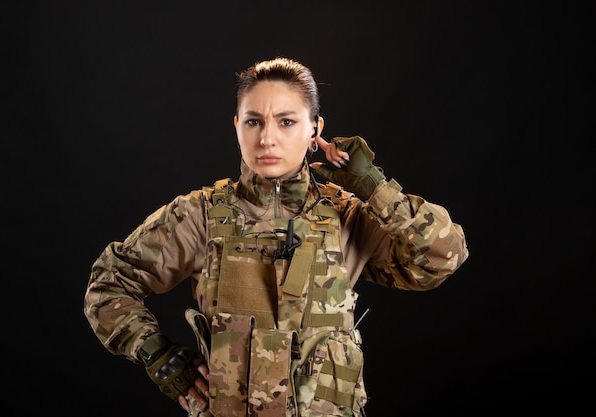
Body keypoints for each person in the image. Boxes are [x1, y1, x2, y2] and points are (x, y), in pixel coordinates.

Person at [83, 56, 469, 417]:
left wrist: (375, 188)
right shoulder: (200, 215)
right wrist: (156, 353)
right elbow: (107, 283)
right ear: (236, 127)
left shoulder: (348, 216)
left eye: (286, 122)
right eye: (254, 121)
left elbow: (442, 256)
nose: (267, 138)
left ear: (315, 129)